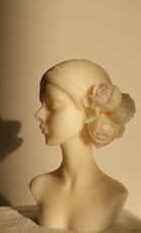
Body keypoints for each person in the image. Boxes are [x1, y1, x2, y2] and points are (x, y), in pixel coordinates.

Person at [30, 59, 136, 232]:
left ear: (89, 111)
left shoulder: (114, 193)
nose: (38, 114)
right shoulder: (39, 186)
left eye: (52, 105)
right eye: (42, 104)